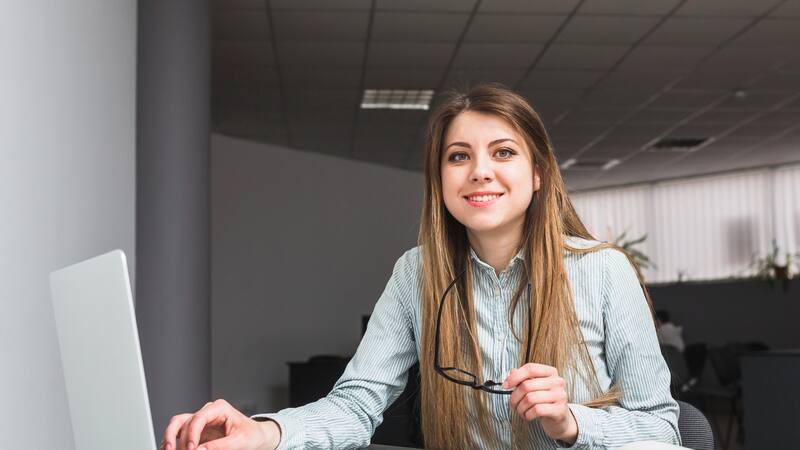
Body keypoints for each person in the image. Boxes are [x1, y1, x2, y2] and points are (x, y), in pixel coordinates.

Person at [161, 84, 682, 450]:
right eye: (459, 156)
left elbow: (663, 432)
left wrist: (571, 424)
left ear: (539, 173)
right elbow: (355, 406)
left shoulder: (605, 271)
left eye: (503, 152)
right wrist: (263, 433)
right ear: (440, 179)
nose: (480, 171)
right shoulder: (416, 274)